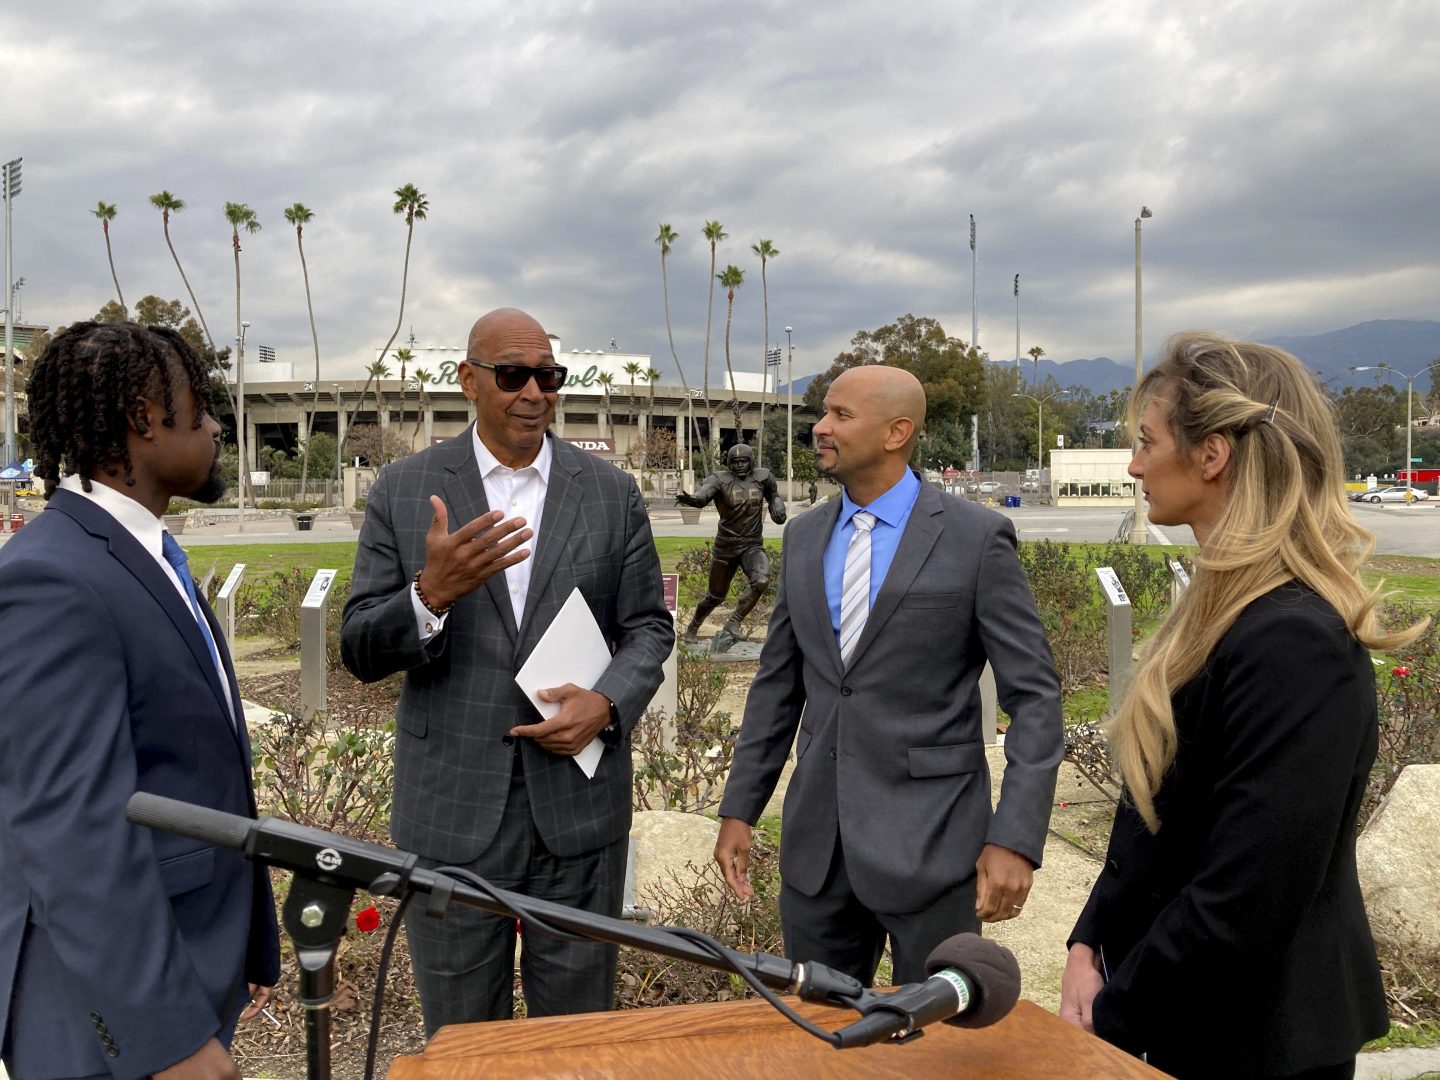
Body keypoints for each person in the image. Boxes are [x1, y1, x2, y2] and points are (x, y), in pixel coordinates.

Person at [1059, 333, 1422, 1079]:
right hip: (1188, 1017)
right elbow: (1154, 822)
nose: (1133, 466)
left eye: (1146, 442)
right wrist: (1087, 943)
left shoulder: (1294, 640)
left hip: (1256, 1041)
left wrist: (1114, 1017)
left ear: (1212, 454)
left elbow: (1250, 894)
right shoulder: (1223, 614)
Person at [341, 307, 673, 1034]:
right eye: (514, 375)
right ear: (469, 380)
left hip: (579, 812)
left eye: (548, 377)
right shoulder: (404, 489)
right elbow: (360, 648)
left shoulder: (609, 491)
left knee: (576, 1040)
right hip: (452, 813)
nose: (533, 392)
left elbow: (649, 626)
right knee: (464, 1041)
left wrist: (608, 703)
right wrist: (429, 596)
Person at [714, 365, 1063, 986]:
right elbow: (777, 688)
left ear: (896, 432)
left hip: (935, 848)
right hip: (817, 858)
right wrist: (739, 809)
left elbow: (1035, 696)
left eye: (840, 415)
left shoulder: (977, 539)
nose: (820, 427)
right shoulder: (804, 537)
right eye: (824, 412)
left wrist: (1014, 837)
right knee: (819, 1034)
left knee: (933, 1039)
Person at [0, 322, 279, 1079]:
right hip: (104, 1022)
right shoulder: (53, 578)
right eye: (202, 407)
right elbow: (73, 829)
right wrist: (167, 1039)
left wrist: (244, 942)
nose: (217, 427)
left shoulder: (139, 554)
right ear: (143, 417)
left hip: (189, 955)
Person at [675, 442, 786, 647]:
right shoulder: (719, 480)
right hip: (726, 547)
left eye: (744, 461)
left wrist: (777, 504)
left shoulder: (763, 477)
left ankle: (734, 621)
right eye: (735, 462)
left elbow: (773, 494)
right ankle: (693, 627)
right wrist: (691, 499)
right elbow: (703, 496)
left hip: (752, 545)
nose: (740, 465)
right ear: (729, 463)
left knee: (761, 580)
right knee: (715, 597)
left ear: (751, 461)